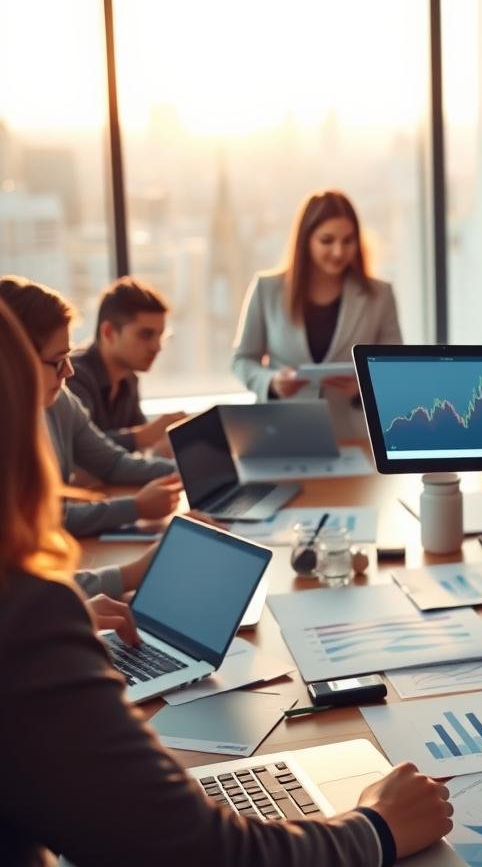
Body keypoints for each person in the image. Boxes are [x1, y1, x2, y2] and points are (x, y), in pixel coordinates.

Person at [0, 296, 453, 867]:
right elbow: (203, 852)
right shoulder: (23, 618)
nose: (66, 378)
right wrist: (377, 830)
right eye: (49, 366)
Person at [0, 276, 182, 538]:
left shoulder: (59, 399)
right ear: (15, 361)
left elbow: (112, 462)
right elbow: (45, 517)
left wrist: (190, 470)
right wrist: (136, 507)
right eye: (57, 360)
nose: (69, 371)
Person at [233, 190, 402, 438]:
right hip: (280, 432)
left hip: (354, 434)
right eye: (327, 240)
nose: (338, 251)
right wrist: (271, 382)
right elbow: (242, 360)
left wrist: (362, 388)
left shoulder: (379, 294)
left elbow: (393, 366)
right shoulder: (266, 289)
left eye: (348, 241)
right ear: (306, 240)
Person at [69, 276, 184, 456]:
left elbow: (134, 453)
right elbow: (79, 449)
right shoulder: (73, 375)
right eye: (146, 335)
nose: (157, 347)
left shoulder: (129, 379)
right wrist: (146, 435)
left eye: (161, 336)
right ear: (109, 332)